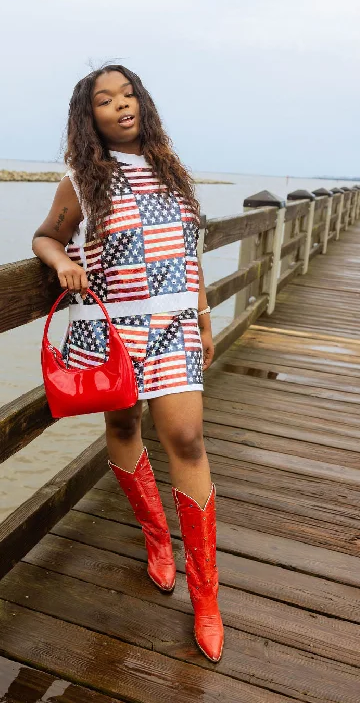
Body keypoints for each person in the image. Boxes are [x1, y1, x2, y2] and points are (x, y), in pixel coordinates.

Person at [32, 65, 224, 662]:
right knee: (122, 426)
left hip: (174, 328)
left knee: (187, 439)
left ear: (142, 101)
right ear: (88, 117)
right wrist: (59, 261)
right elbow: (45, 236)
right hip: (113, 328)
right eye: (104, 100)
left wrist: (204, 315)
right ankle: (156, 541)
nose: (121, 105)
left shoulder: (170, 169)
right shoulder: (83, 179)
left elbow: (187, 253)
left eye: (128, 94)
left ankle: (208, 599)